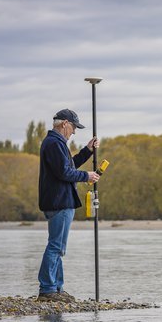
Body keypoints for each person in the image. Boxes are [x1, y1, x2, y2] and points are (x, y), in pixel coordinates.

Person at [37, 109, 101, 302]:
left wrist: (87, 151)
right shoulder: (54, 143)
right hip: (60, 202)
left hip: (58, 201)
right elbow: (64, 172)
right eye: (73, 127)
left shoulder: (56, 143)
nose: (73, 132)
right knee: (56, 246)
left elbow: (68, 166)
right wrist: (87, 176)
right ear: (64, 123)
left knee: (59, 247)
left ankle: (56, 288)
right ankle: (48, 289)